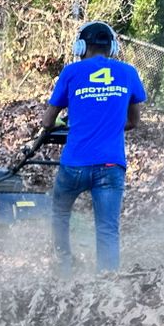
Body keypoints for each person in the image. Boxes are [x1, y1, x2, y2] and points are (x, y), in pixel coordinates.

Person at [41, 21, 147, 275]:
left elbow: (47, 121)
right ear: (112, 47)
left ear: (80, 46)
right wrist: (108, 124)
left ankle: (63, 267)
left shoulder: (71, 72)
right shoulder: (128, 72)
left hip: (75, 165)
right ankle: (106, 284)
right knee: (108, 228)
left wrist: (67, 123)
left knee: (60, 214)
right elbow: (133, 122)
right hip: (111, 166)